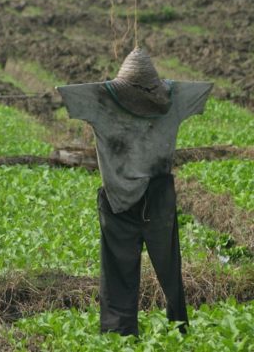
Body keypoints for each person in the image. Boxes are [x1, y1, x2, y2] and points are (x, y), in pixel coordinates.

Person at [57, 47, 212, 337]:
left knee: (119, 271)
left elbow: (68, 92)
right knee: (165, 266)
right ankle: (176, 327)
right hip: (147, 198)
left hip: (128, 197)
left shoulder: (100, 98)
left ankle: (121, 333)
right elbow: (201, 89)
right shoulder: (172, 97)